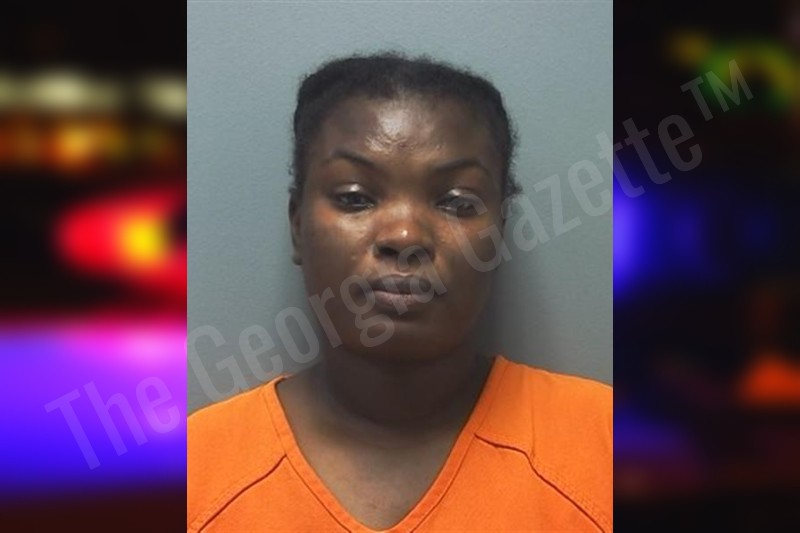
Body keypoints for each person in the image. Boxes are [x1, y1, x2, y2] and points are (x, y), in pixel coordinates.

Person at [188, 52, 612, 532]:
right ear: (298, 225)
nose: (405, 236)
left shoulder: (606, 448)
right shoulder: (193, 474)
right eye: (354, 197)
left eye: (457, 202)